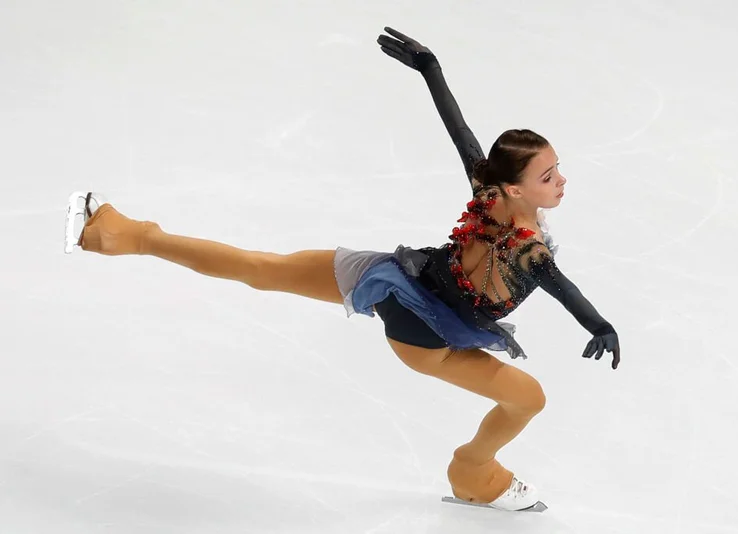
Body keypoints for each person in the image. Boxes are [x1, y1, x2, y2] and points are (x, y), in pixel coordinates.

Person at [63, 26, 620, 513]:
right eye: (549, 176)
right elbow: (562, 287)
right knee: (529, 399)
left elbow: (462, 135)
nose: (561, 181)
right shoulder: (528, 250)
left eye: (558, 170)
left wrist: (431, 71)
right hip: (426, 339)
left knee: (262, 268)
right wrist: (600, 325)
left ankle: (122, 234)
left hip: (389, 280)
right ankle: (473, 471)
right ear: (516, 188)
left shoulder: (488, 192)